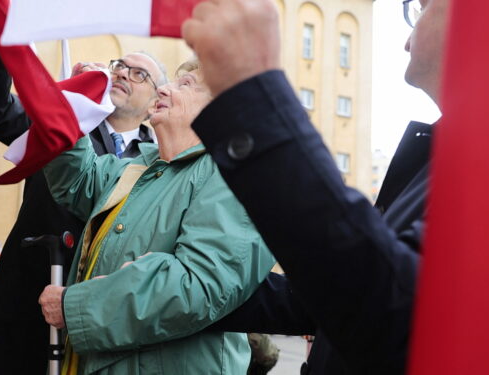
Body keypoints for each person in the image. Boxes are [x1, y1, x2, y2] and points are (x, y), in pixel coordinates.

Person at [182, 0, 448, 373]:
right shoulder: (444, 160)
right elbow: (325, 297)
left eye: (424, 7)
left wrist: (251, 95)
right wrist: (189, 290)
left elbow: (392, 315)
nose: (408, 37)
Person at [37, 60, 275, 374]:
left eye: (186, 84)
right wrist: (75, 106)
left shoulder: (234, 175)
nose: (163, 88)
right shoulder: (137, 169)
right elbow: (75, 181)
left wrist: (76, 307)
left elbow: (199, 284)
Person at [0, 23, 167, 375]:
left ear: (154, 103)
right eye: (118, 66)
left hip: (100, 323)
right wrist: (1, 32)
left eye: (138, 74)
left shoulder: (162, 161)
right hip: (25, 307)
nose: (122, 74)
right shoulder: (62, 121)